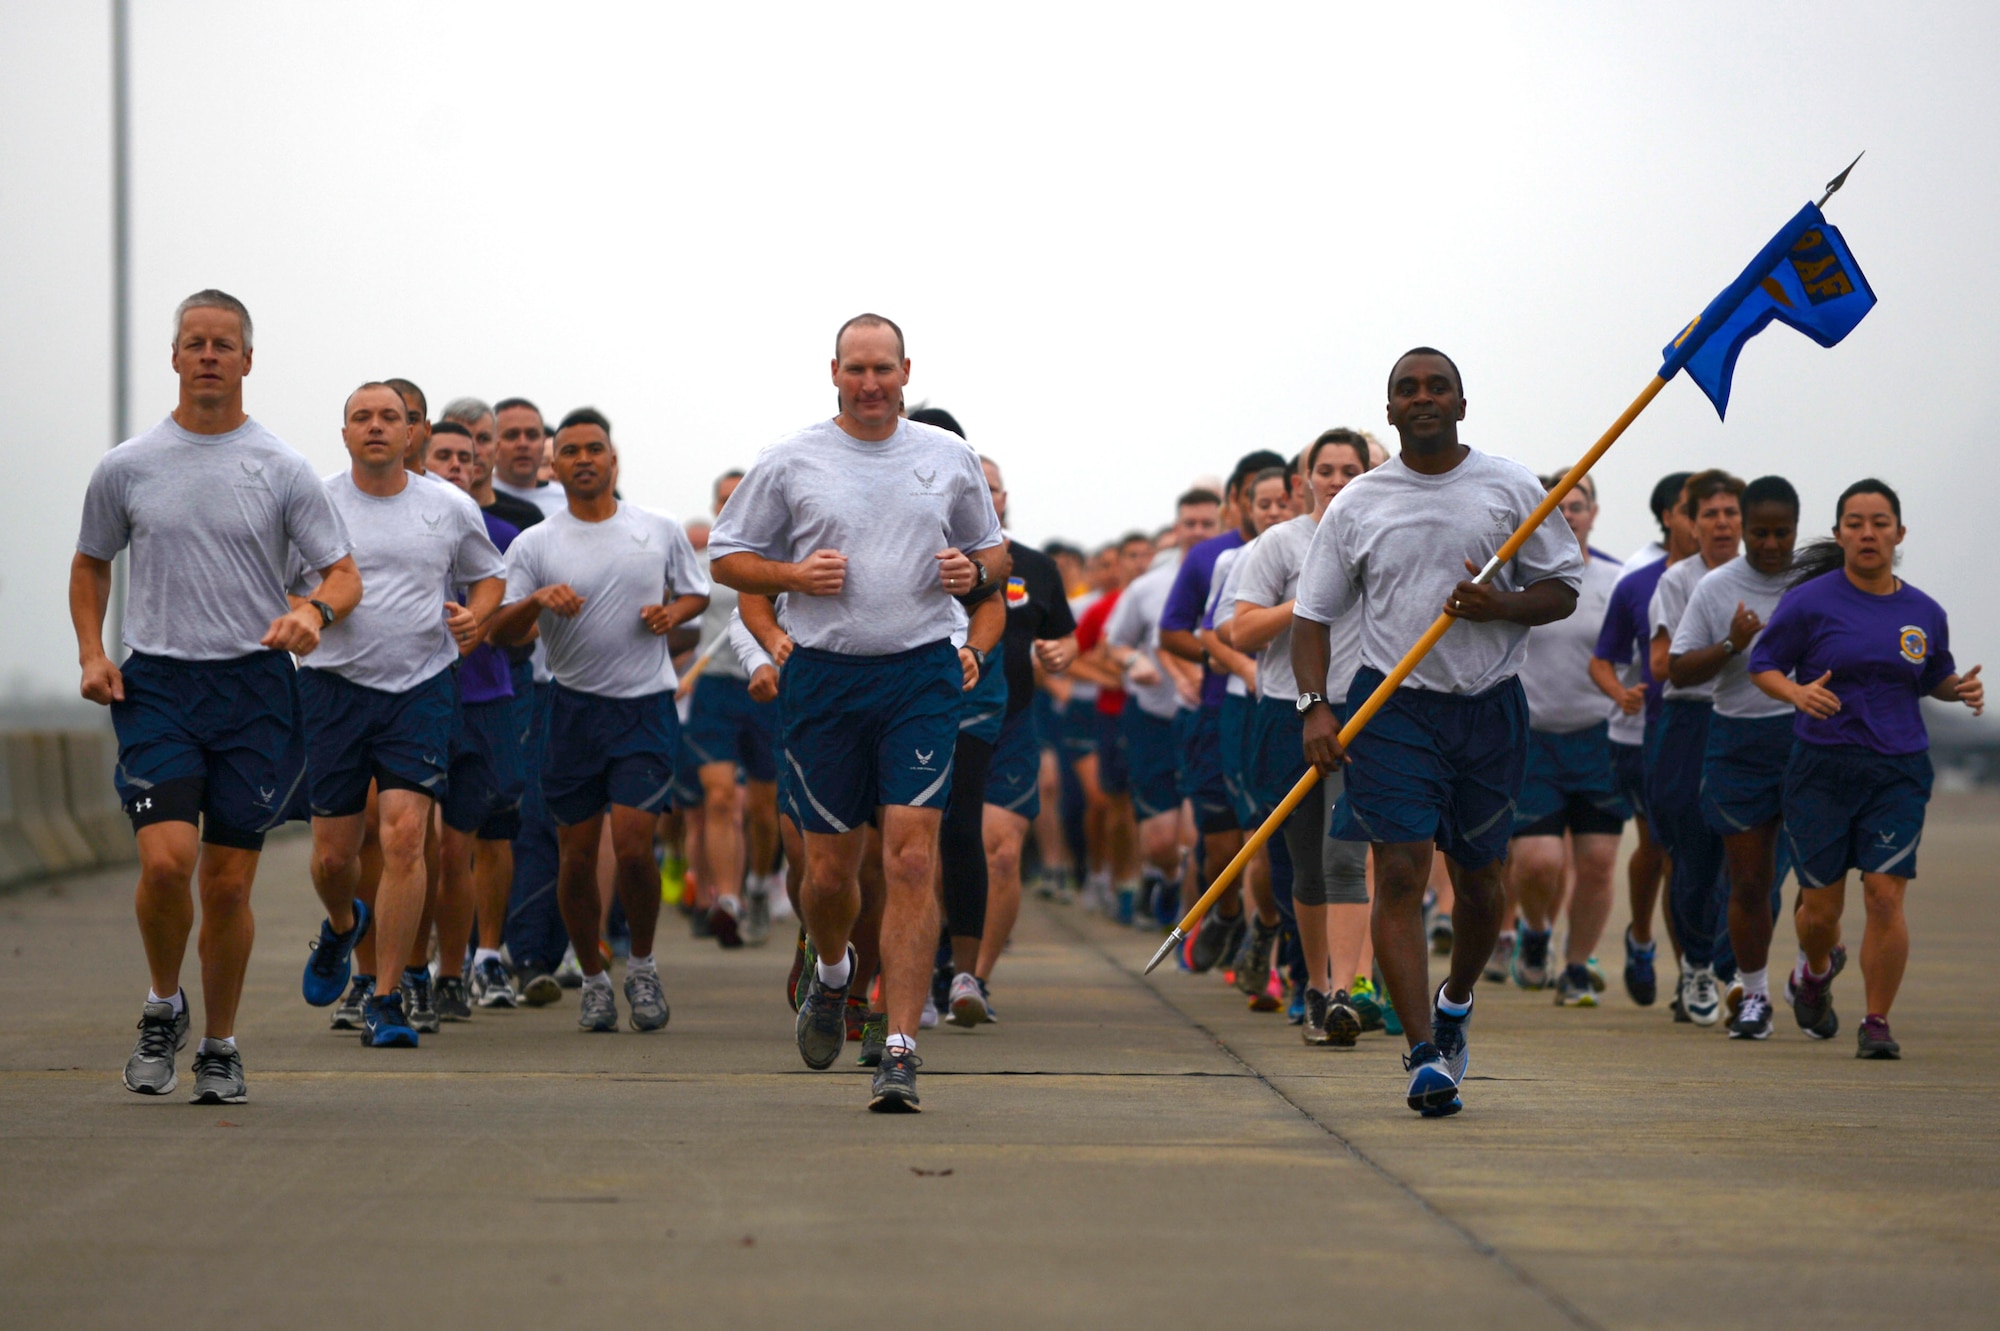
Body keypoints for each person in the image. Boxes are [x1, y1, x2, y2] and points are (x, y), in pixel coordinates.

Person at [707, 314, 1006, 1112]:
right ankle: (834, 972)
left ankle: (901, 1044)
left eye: (884, 368)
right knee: (830, 873)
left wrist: (972, 565)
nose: (870, 383)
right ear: (833, 371)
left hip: (919, 673)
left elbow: (997, 551)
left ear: (907, 370)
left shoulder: (946, 458)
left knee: (910, 858)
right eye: (856, 369)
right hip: (826, 678)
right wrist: (792, 577)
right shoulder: (792, 458)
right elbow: (728, 557)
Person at [72, 290, 358, 1102]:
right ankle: (164, 1003)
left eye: (222, 344)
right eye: (193, 342)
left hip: (255, 689)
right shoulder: (127, 465)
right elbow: (91, 561)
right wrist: (93, 651)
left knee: (227, 884)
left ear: (246, 360)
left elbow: (342, 572)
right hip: (157, 681)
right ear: (173, 356)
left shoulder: (281, 466)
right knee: (168, 862)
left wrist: (312, 610)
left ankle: (222, 1045)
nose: (207, 355)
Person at [1294, 348, 1582, 1117]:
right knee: (1399, 873)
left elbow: (1562, 589)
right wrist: (1315, 706)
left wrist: (1502, 608)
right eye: (1406, 390)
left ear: (1461, 400)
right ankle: (1423, 1053)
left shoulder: (1510, 485)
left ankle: (1456, 1002)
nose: (1422, 399)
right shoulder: (1358, 502)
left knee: (1485, 881)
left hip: (1489, 708)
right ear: (1388, 411)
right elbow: (1311, 617)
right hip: (1393, 707)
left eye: (1437, 387)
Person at [295, 384, 506, 1046]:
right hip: (332, 688)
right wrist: (303, 611)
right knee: (335, 857)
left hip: (420, 686)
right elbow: (281, 579)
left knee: (406, 837)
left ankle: (387, 996)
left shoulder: (447, 505)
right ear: (345, 433)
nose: (377, 426)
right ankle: (339, 925)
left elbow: (488, 573)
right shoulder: (316, 503)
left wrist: (479, 612)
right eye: (362, 417)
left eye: (389, 416)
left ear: (411, 433)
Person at [486, 408, 709, 1034]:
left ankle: (641, 964)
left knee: (635, 846)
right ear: (555, 466)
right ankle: (590, 977)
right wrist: (534, 599)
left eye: (595, 449)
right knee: (575, 856)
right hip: (570, 708)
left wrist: (672, 614)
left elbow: (694, 593)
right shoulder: (535, 544)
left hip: (643, 707)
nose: (584, 459)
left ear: (614, 460)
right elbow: (500, 634)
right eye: (572, 451)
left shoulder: (658, 528)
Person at [1750, 480, 1982, 1057]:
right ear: (1839, 535)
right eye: (1855, 522)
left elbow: (1934, 677)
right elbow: (1764, 664)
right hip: (1820, 769)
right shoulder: (1809, 603)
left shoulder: (1924, 612)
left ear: (1899, 534)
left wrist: (1961, 690)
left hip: (1896, 769)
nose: (1867, 533)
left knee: (1884, 894)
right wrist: (1797, 694)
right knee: (1819, 913)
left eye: (1880, 522)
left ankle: (1876, 1022)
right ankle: (1816, 970)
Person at [1232, 431, 1372, 1044]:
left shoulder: (1380, 537)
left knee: (1349, 857)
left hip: (1363, 713)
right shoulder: (1279, 544)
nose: (1338, 480)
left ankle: (1349, 989)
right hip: (1290, 713)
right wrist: (1307, 603)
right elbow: (1240, 631)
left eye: (1350, 469)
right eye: (1326, 470)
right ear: (1303, 481)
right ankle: (1314, 985)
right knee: (1306, 861)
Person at [1669, 475, 1800, 1039]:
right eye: (1759, 533)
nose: (1770, 545)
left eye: (1782, 533)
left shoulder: (1817, 582)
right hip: (1737, 741)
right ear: (1744, 529)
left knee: (1816, 880)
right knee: (1749, 881)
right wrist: (1731, 644)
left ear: (1797, 528)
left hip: (1806, 738)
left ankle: (1814, 971)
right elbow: (1676, 670)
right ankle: (1754, 995)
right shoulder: (1717, 587)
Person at [1158, 452, 1289, 955]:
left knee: (1263, 835)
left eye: (1283, 500)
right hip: (1220, 710)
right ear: (1239, 503)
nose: (1275, 510)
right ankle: (1229, 912)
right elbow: (1180, 632)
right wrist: (1223, 660)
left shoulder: (1313, 548)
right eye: (1263, 500)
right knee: (1223, 842)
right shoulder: (1215, 557)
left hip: (1281, 711)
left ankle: (1271, 942)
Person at [1507, 474, 1627, 1006]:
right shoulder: (1515, 581)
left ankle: (1577, 966)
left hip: (1600, 738)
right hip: (1533, 738)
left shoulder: (1617, 582)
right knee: (1538, 862)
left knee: (1599, 859)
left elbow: (1642, 653)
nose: (1568, 516)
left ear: (1594, 513)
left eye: (1577, 507)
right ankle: (1535, 931)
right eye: (1556, 508)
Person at [968, 454, 1078, 1016]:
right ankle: (941, 957)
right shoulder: (936, 561)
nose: (986, 497)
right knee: (932, 856)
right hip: (936, 723)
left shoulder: (1034, 566)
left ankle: (975, 979)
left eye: (994, 489)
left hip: (1012, 722)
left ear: (1005, 498)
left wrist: (1062, 653)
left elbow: (1066, 637)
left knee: (1003, 854)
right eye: (975, 488)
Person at [426, 429, 531, 1009]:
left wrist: (492, 621)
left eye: (467, 459)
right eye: (444, 456)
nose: (457, 468)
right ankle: (435, 964)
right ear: (422, 460)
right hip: (418, 697)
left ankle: (482, 958)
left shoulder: (503, 537)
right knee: (428, 844)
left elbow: (524, 630)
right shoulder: (400, 523)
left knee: (485, 833)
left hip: (488, 696)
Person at [1589, 471, 1694, 1005]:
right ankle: (1648, 942)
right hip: (1639, 737)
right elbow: (1603, 659)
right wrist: (1620, 692)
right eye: (1692, 508)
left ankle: (1694, 966)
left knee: (1695, 852)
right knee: (1660, 845)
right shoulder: (1638, 578)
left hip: (1710, 732)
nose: (1707, 520)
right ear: (1668, 517)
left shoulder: (1736, 578)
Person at [1648, 469, 1744, 1025]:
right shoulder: (1677, 581)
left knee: (1751, 860)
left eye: (1731, 513)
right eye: (1709, 514)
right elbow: (1663, 666)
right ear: (1690, 523)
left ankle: (1732, 970)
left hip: (1750, 720)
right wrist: (1729, 646)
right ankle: (1695, 967)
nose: (1722, 523)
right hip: (1689, 721)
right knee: (1691, 856)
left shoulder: (1767, 578)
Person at [1103, 492, 1218, 935]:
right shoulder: (1147, 586)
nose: (1198, 532)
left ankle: (1195, 926)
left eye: (1207, 523)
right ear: (1177, 527)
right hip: (1152, 718)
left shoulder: (1235, 571)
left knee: (1196, 833)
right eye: (1190, 523)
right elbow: (1115, 643)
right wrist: (1135, 663)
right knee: (1162, 840)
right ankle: (1166, 878)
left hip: (1207, 717)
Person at [681, 469, 784, 948]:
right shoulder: (700, 563)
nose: (730, 507)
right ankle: (727, 899)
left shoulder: (784, 561)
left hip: (771, 692)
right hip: (717, 689)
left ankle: (759, 886)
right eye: (722, 500)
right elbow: (676, 618)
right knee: (721, 798)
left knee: (765, 810)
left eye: (738, 498)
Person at [493, 397, 567, 517]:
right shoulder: (475, 500)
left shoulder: (568, 502)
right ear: (492, 443)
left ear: (543, 442)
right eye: (511, 436)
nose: (523, 444)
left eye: (532, 436)